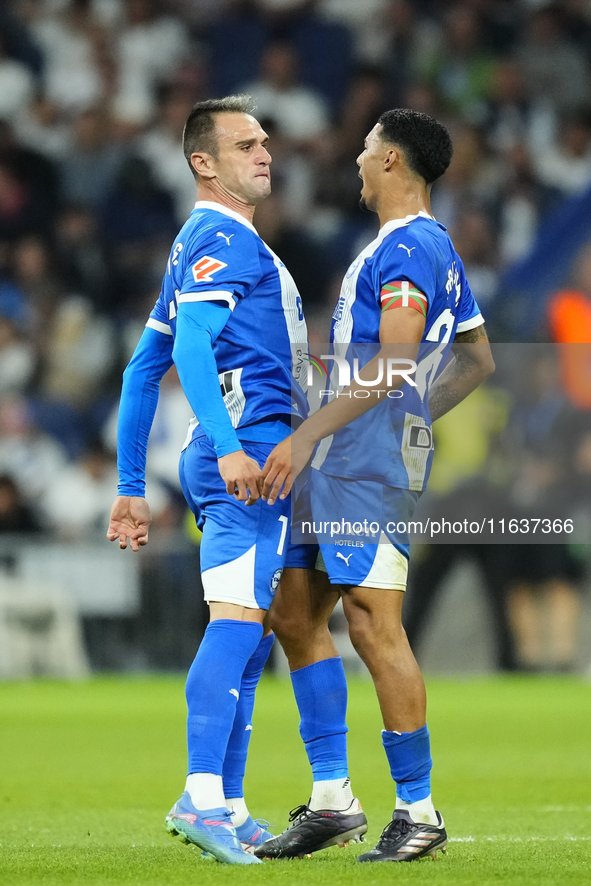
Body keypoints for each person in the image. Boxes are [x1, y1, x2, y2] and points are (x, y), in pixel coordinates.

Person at [255, 108, 495, 862]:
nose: (356, 160)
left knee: (370, 623)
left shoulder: (413, 247)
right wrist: (416, 413)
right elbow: (478, 359)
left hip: (359, 468)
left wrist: (312, 432)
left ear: (391, 160)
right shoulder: (428, 248)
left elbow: (393, 362)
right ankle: (332, 800)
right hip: (346, 462)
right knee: (293, 613)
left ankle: (417, 812)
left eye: (365, 149)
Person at [106, 94, 309, 865]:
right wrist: (228, 447)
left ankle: (226, 802)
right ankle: (199, 794)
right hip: (249, 455)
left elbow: (139, 370)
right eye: (245, 143)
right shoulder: (222, 238)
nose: (264, 153)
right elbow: (189, 352)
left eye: (265, 140)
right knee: (234, 623)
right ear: (203, 163)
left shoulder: (197, 246)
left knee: (250, 630)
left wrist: (131, 482)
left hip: (242, 449)